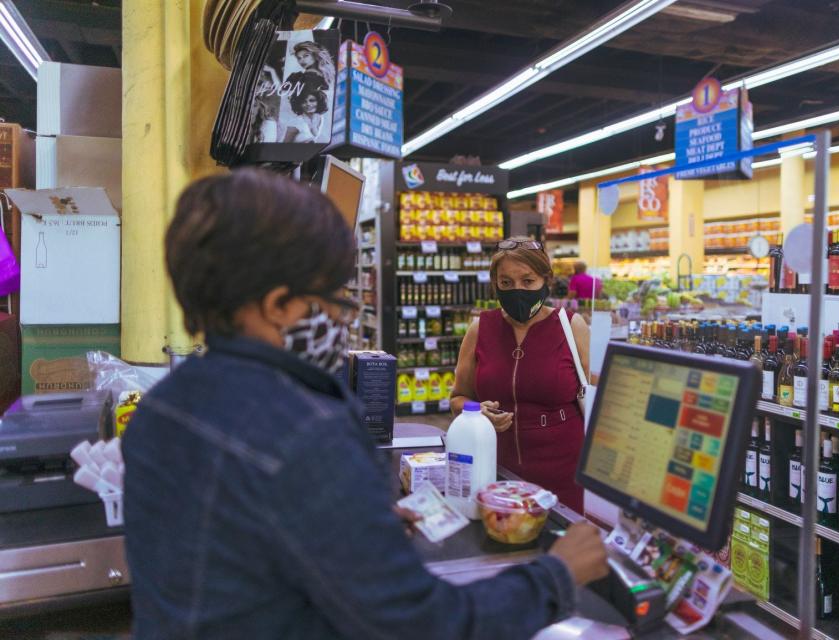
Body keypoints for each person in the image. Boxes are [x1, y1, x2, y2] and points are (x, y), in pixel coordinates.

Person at [122, 171, 608, 639]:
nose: (341, 313)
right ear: (277, 305)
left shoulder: (162, 408)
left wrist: (348, 523)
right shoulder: (310, 432)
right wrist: (556, 577)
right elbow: (421, 624)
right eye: (333, 294)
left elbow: (231, 548)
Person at [451, 237, 591, 513]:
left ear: (546, 280)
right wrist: (476, 412)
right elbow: (457, 397)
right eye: (506, 283)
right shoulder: (480, 329)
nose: (517, 291)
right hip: (495, 470)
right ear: (495, 284)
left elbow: (595, 401)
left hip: (564, 473)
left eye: (528, 282)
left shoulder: (572, 326)